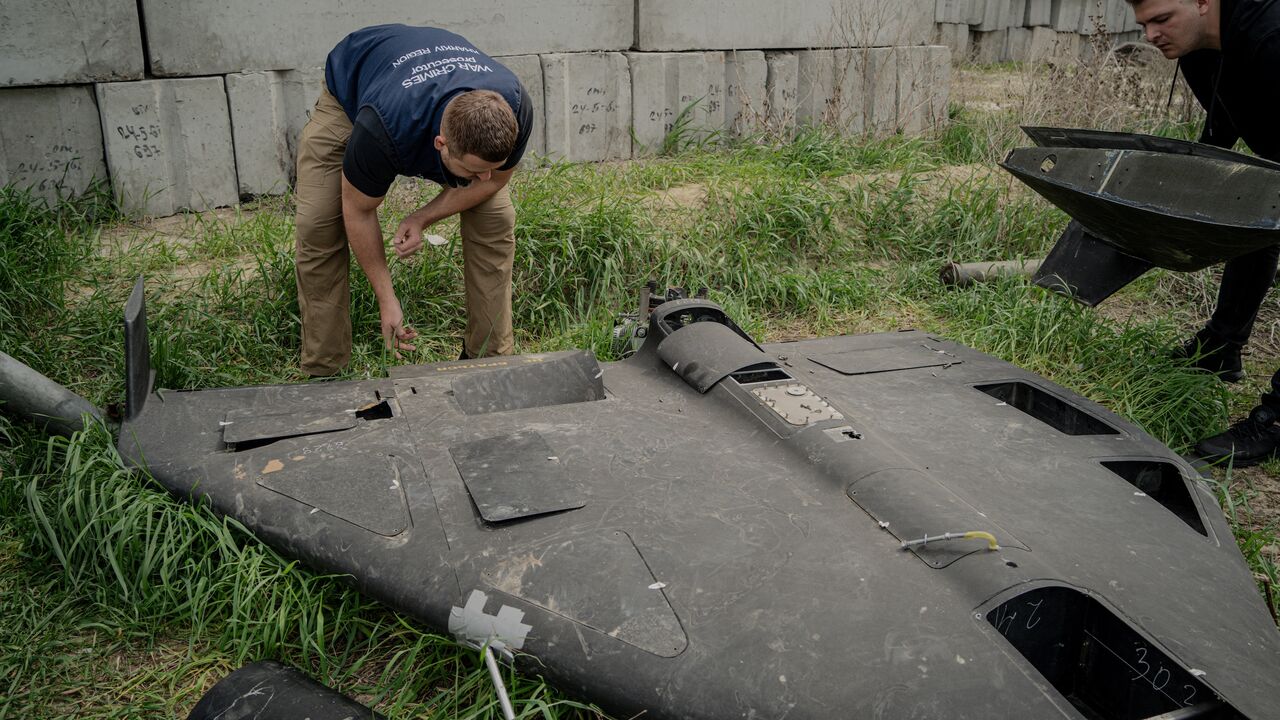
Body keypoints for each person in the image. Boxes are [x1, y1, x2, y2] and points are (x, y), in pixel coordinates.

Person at [295, 24, 533, 376]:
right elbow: (359, 210)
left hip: (427, 77)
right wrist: (386, 299)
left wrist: (422, 217)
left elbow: (493, 181)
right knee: (319, 224)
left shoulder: (514, 105)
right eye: (474, 169)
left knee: (494, 220)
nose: (484, 178)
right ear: (441, 145)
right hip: (354, 86)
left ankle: (489, 360)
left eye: (490, 167)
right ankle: (324, 369)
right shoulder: (382, 127)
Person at [1124, 0, 1280, 464]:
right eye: (1144, 24)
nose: (1151, 35)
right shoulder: (1194, 47)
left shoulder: (1271, 39)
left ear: (1202, 3)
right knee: (1248, 201)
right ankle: (1220, 347)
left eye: (1161, 19)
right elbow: (1230, 126)